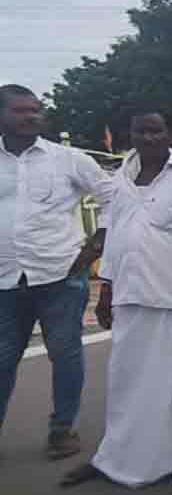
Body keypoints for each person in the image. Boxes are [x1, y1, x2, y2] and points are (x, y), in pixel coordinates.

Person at [62, 112, 172, 494]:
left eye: (157, 130)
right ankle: (116, 458)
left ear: (171, 134)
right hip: (129, 295)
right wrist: (105, 290)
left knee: (171, 385)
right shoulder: (121, 179)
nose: (149, 136)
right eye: (141, 130)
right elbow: (116, 237)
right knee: (125, 383)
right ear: (132, 135)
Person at [0, 84, 110, 459]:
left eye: (35, 109)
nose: (31, 116)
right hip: (4, 279)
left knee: (64, 354)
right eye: (20, 110)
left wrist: (95, 247)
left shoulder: (67, 159)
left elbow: (115, 198)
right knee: (2, 358)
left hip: (60, 276)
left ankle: (62, 430)